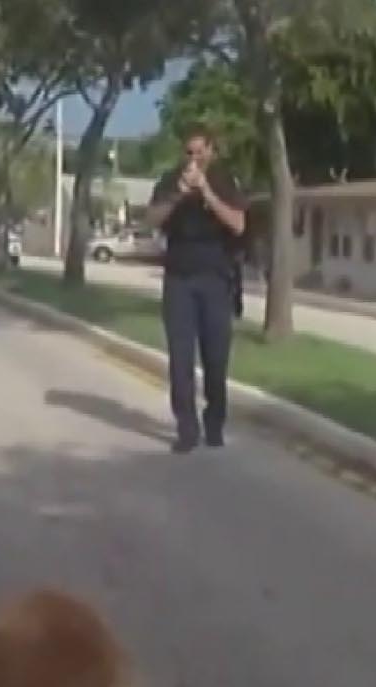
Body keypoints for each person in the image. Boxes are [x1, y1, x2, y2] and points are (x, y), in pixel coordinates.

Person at [144, 126, 249, 452]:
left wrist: (206, 193)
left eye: (200, 152)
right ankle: (186, 428)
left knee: (216, 358)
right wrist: (177, 194)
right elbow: (151, 220)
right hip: (179, 278)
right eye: (189, 152)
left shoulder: (224, 180)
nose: (194, 159)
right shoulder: (169, 179)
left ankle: (214, 421)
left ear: (211, 151)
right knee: (180, 358)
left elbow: (238, 224)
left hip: (216, 278)